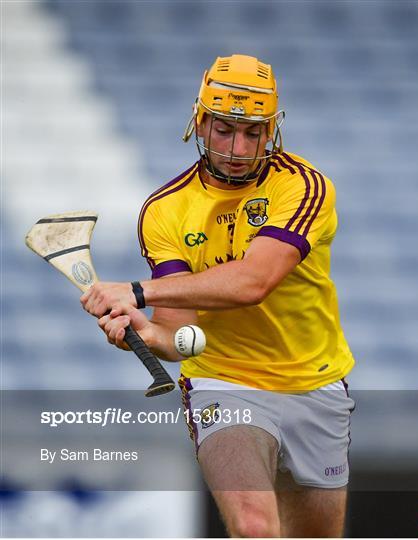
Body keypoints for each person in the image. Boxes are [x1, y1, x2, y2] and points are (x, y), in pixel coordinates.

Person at [81, 54, 355, 538]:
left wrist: (138, 292)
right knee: (254, 526)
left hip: (314, 382)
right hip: (224, 382)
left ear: (273, 131)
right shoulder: (165, 211)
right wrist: (141, 333)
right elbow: (181, 336)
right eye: (225, 129)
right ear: (200, 123)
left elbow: (254, 282)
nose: (238, 147)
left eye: (254, 133)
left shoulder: (304, 187)